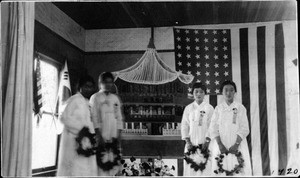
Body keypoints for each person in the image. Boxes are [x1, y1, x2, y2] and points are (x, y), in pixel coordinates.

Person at [57, 75, 97, 176]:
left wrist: (91, 135)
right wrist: (81, 129)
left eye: (91, 86)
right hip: (73, 140)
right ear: (80, 87)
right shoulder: (74, 100)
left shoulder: (88, 103)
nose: (89, 89)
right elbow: (64, 118)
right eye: (86, 86)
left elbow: (90, 123)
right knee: (74, 170)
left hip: (85, 141)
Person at [209, 80, 252, 176]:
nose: (229, 93)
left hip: (237, 144)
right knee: (220, 170)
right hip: (221, 145)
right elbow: (213, 128)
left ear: (235, 92)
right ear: (222, 93)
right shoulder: (218, 109)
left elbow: (245, 128)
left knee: (239, 171)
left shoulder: (240, 108)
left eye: (231, 90)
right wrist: (220, 145)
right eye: (226, 90)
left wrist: (236, 144)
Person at [90, 72, 124, 176]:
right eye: (106, 82)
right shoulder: (95, 97)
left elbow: (119, 117)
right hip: (101, 134)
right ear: (100, 83)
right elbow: (93, 117)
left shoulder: (115, 98)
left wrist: (118, 135)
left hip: (113, 134)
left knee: (112, 163)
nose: (108, 85)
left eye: (110, 82)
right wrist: (98, 135)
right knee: (100, 164)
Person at [181, 82, 214, 176]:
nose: (198, 94)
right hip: (191, 144)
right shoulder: (188, 108)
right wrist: (188, 142)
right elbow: (184, 125)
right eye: (196, 92)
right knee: (190, 170)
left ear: (205, 94)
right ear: (192, 93)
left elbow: (212, 126)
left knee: (206, 169)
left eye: (201, 92)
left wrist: (207, 142)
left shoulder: (209, 108)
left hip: (205, 144)